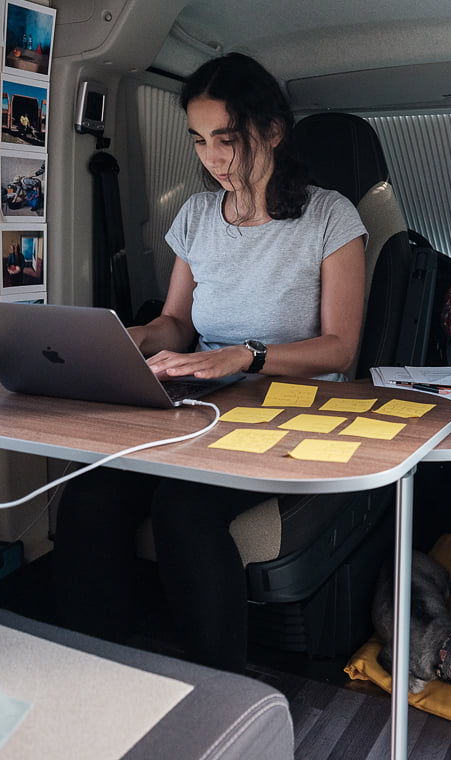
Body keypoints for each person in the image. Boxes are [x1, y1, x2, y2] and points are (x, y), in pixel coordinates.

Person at [53, 53, 367, 672]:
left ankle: (220, 687)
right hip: (203, 403)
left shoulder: (332, 217)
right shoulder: (197, 216)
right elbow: (177, 322)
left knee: (184, 509)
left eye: (227, 139)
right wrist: (132, 338)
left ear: (272, 130)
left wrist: (247, 356)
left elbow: (341, 348)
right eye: (199, 141)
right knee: (92, 491)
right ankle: (89, 665)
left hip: (292, 410)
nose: (212, 158)